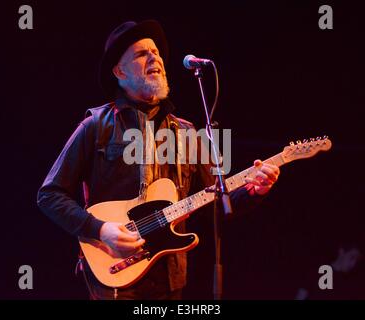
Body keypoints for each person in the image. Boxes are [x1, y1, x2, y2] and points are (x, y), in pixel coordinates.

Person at [37, 20, 280, 300]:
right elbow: (50, 195)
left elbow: (214, 203)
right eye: (142, 54)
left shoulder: (186, 132)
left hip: (168, 275)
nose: (155, 58)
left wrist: (254, 191)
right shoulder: (96, 126)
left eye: (156, 52)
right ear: (119, 71)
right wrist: (101, 230)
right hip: (115, 274)